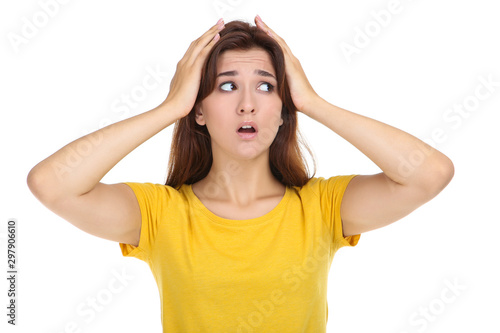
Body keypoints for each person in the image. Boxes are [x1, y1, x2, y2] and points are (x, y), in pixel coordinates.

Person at [27, 16, 454, 332]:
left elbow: (430, 174)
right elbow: (51, 184)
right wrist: (168, 108)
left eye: (266, 86)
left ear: (283, 107)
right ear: (199, 107)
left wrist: (312, 101)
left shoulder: (320, 208)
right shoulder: (161, 215)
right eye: (227, 86)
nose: (248, 104)